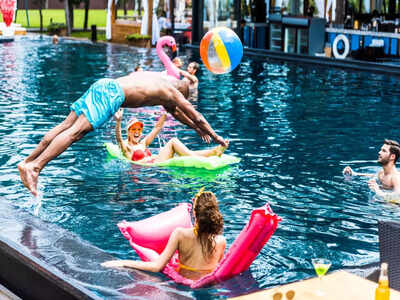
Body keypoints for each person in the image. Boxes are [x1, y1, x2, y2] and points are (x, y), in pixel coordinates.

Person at [18, 71, 227, 197]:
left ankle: (27, 162)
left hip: (103, 84)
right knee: (75, 133)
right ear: (181, 93)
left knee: (65, 125)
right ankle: (36, 168)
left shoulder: (158, 82)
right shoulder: (173, 94)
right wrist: (215, 136)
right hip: (112, 95)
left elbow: (180, 116)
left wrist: (197, 130)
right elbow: (195, 115)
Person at [101, 188, 226, 280]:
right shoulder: (221, 241)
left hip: (181, 284)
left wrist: (123, 262)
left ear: (194, 213)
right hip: (209, 284)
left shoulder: (180, 234)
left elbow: (157, 267)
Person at [114, 108, 227, 163]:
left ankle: (214, 152)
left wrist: (166, 111)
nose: (137, 132)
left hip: (156, 161)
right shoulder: (127, 148)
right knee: (173, 141)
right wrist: (118, 121)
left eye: (139, 129)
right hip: (153, 167)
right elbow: (119, 138)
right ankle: (203, 158)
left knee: (184, 153)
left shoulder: (143, 143)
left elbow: (157, 127)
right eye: (133, 129)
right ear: (128, 132)